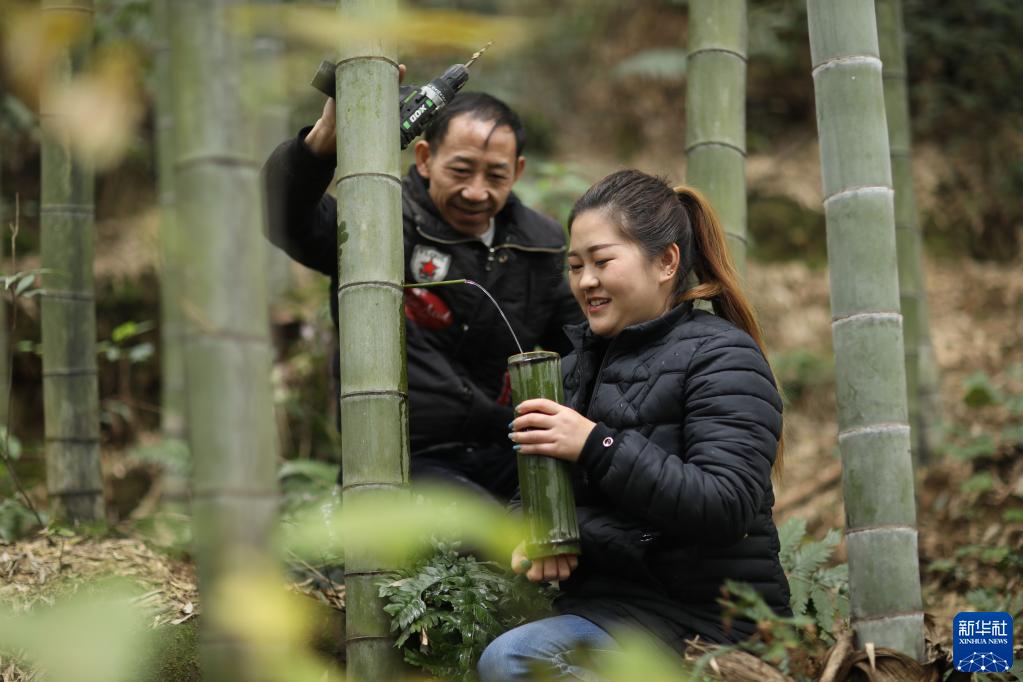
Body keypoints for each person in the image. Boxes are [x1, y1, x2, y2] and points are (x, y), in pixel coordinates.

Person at [477, 170, 791, 680]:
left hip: (711, 627)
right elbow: (532, 488)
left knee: (514, 660)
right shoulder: (574, 365)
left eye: (602, 261)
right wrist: (535, 532)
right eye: (575, 266)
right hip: (610, 614)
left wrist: (595, 444)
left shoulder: (724, 355)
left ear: (666, 261)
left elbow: (725, 504)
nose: (585, 281)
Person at [262, 83, 582, 501]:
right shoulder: (378, 219)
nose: (476, 192)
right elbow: (284, 217)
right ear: (426, 159)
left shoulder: (538, 245)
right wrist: (321, 141)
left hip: (507, 448)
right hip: (399, 463)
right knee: (488, 533)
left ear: (518, 172)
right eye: (461, 170)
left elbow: (580, 344)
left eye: (496, 175)